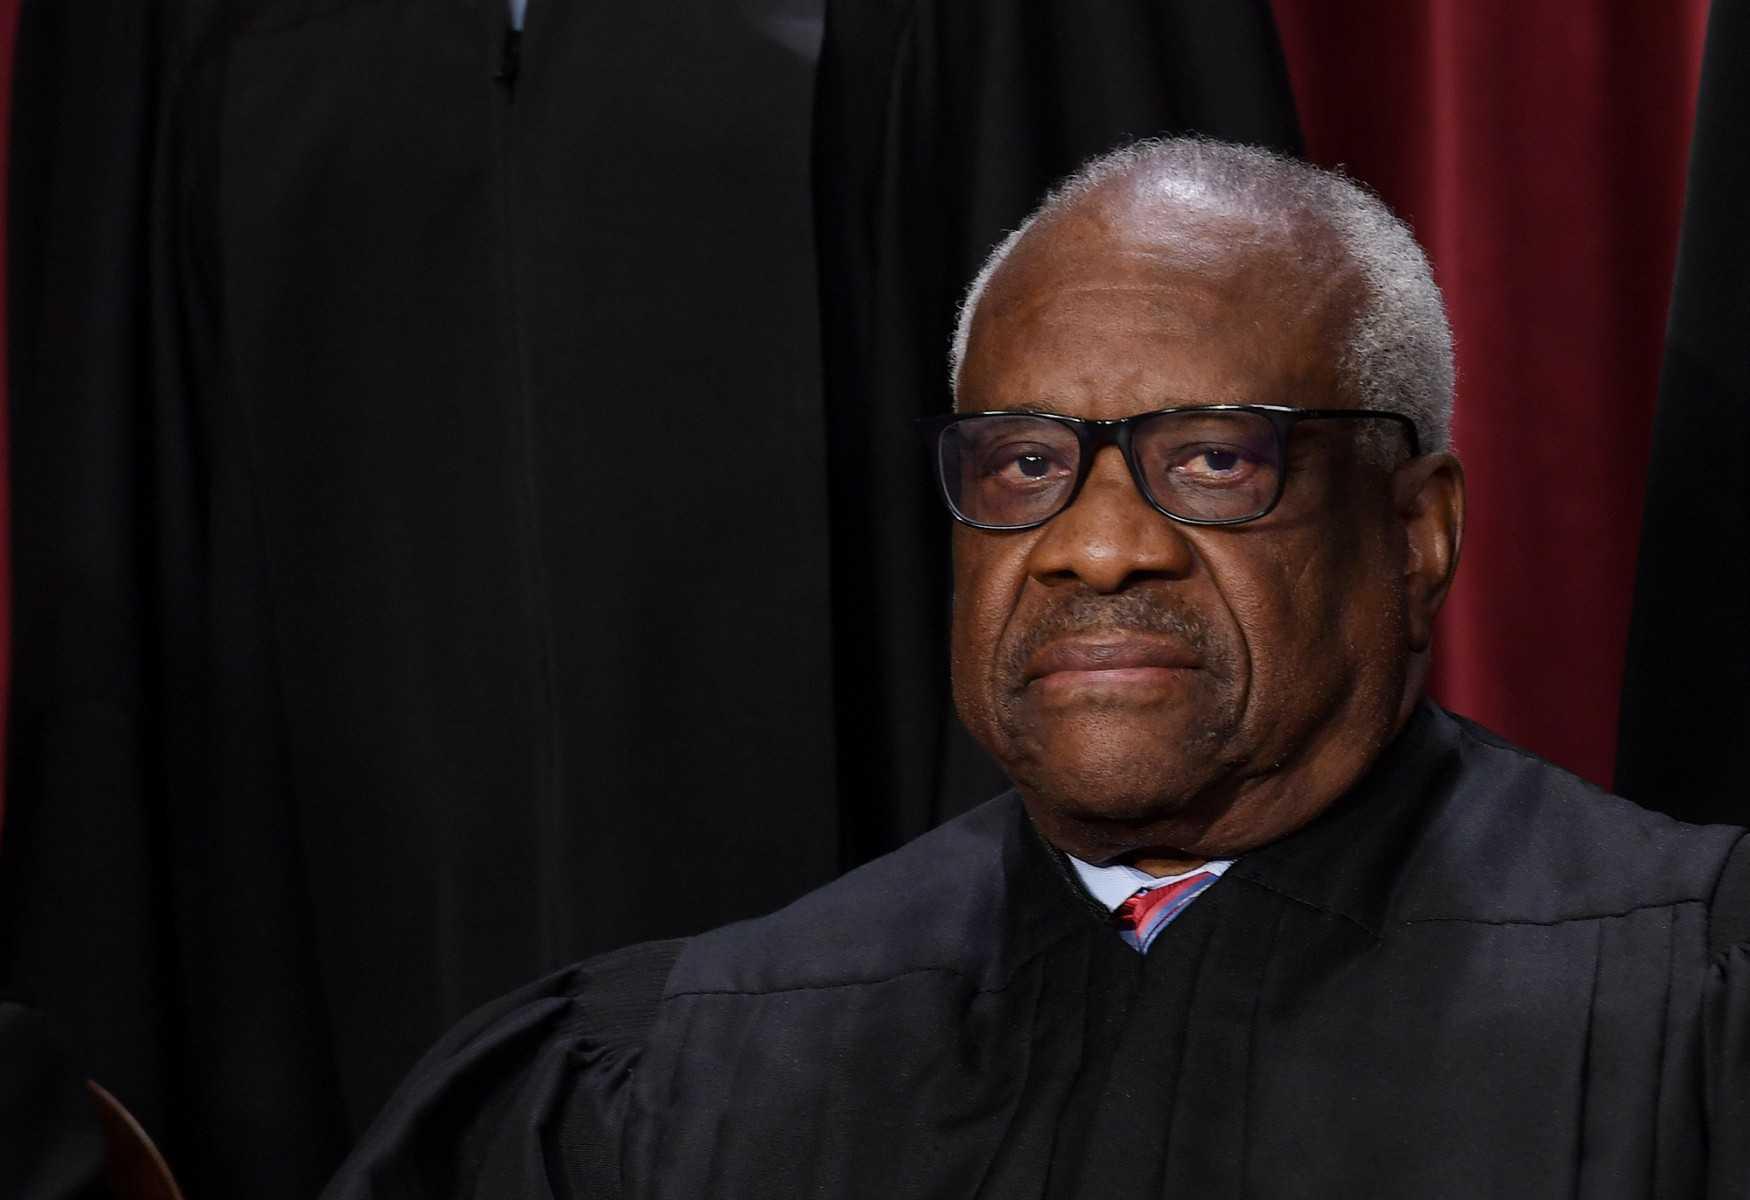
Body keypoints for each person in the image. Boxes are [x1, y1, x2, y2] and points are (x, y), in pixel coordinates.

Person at [322, 138, 1750, 1198]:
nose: (1096, 547)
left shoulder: (1688, 1007)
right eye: (1022, 462)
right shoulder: (678, 1071)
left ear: (1414, 528)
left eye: (1209, 458)